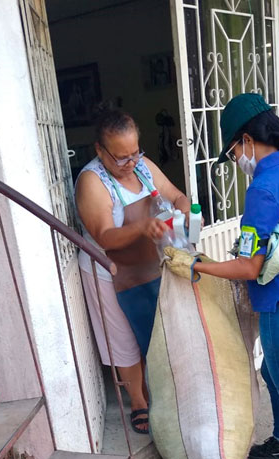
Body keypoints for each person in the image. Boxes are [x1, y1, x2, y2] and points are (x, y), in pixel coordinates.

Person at [165, 93, 279, 459]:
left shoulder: (264, 187)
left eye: (234, 151)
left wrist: (196, 265)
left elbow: (248, 267)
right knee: (274, 375)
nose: (237, 159)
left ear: (246, 141)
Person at [76, 108, 191, 434]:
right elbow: (105, 235)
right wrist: (142, 226)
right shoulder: (92, 181)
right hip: (110, 272)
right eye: (121, 157)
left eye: (135, 152)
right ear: (100, 150)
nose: (130, 162)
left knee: (157, 333)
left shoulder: (143, 166)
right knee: (124, 339)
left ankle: (164, 392)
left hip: (149, 265)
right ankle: (139, 401)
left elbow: (177, 196)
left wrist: (184, 215)